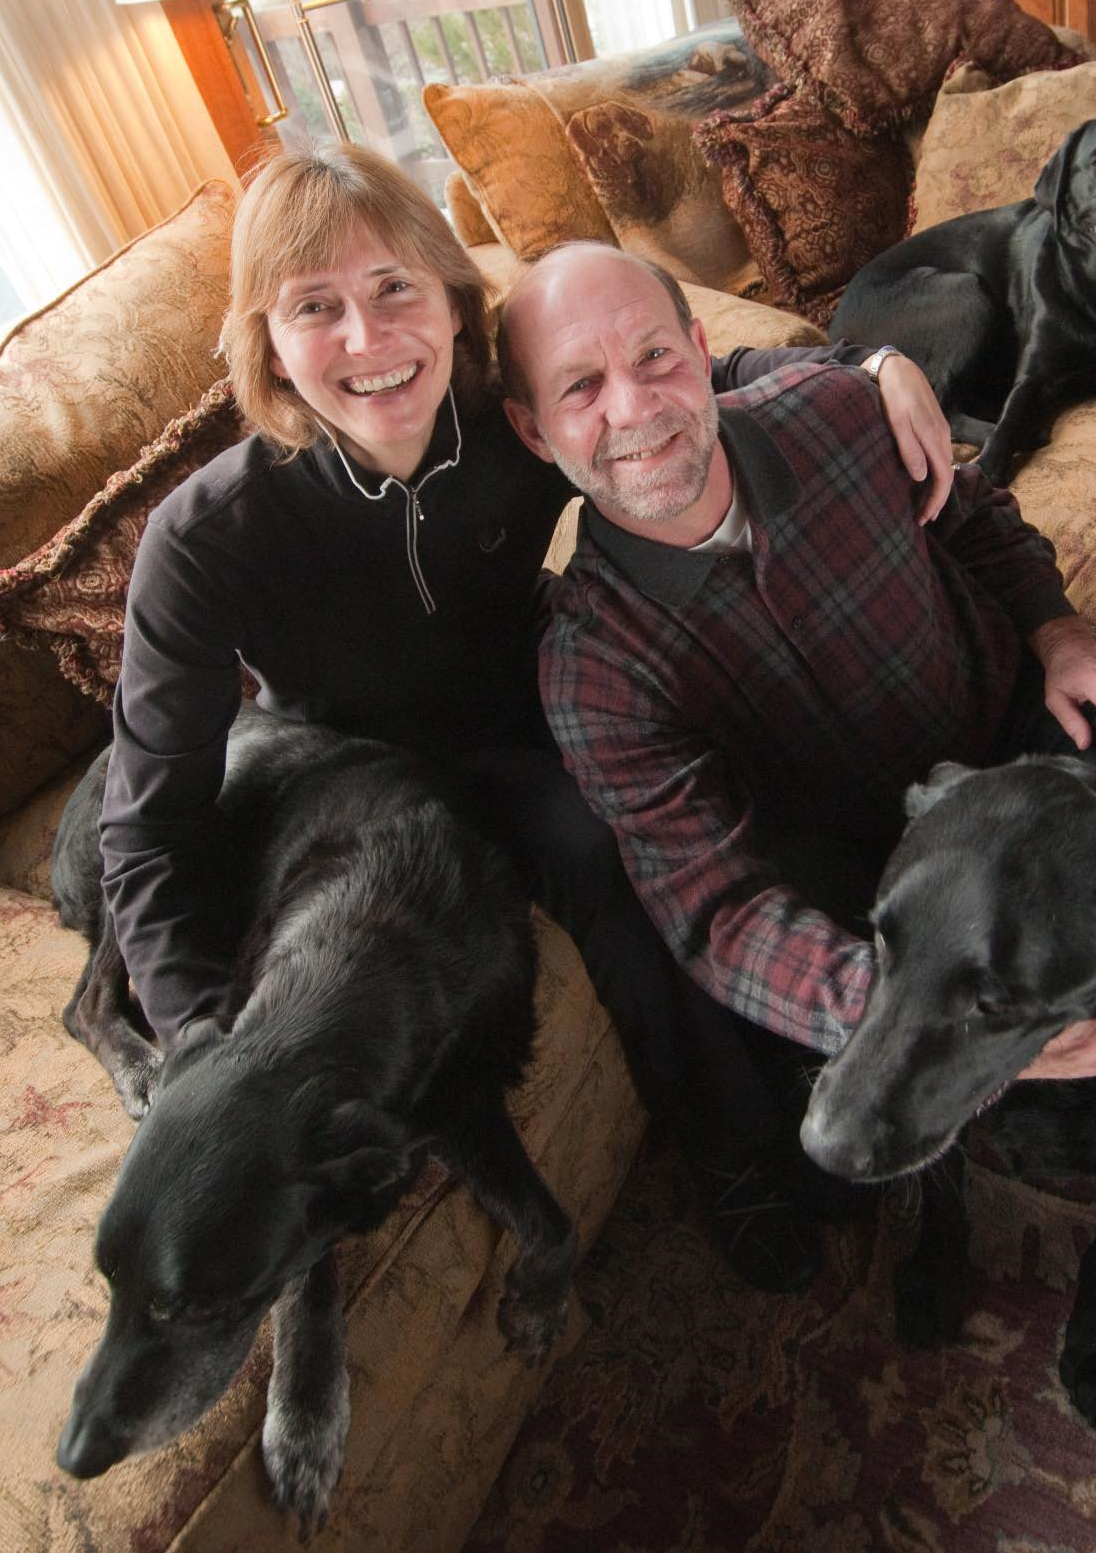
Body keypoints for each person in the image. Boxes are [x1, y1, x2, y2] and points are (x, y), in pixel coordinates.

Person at [99, 142, 956, 1294]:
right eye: (317, 308)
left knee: (679, 784)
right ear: (266, 341)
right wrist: (207, 1044)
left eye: (395, 288)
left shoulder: (510, 422)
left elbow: (684, 376)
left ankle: (824, 1046)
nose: (368, 339)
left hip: (533, 710)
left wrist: (875, 360)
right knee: (592, 841)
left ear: (455, 300)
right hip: (358, 790)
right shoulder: (208, 537)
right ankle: (735, 1152)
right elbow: (146, 827)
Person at [498, 239, 1096, 1322]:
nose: (635, 407)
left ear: (703, 349)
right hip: (875, 867)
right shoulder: (593, 663)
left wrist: (1062, 635)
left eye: (655, 358)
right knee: (843, 1170)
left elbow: (980, 519)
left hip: (1022, 722)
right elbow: (715, 912)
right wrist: (913, 1008)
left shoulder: (834, 409)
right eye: (580, 386)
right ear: (534, 428)